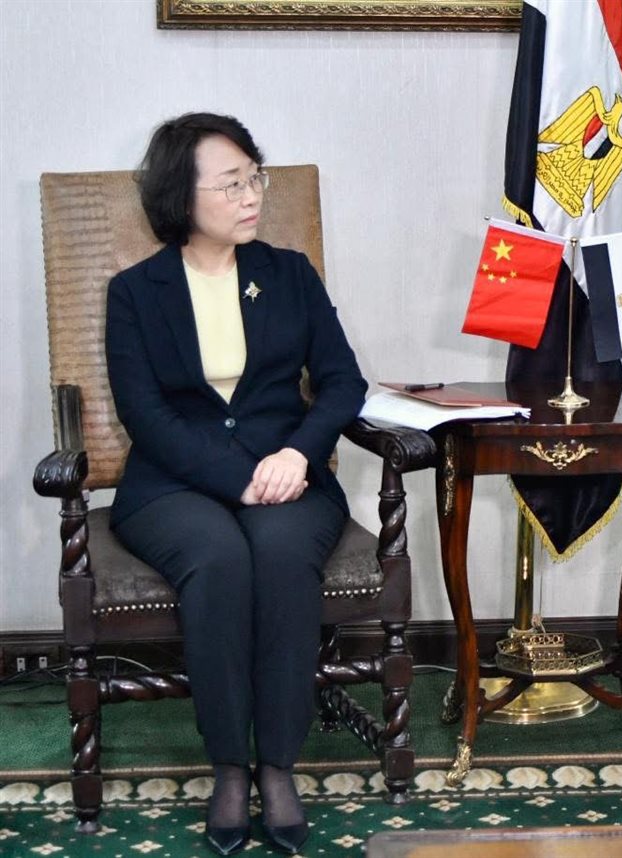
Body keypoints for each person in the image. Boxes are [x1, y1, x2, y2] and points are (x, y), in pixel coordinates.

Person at [105, 113, 368, 855]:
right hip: (172, 483)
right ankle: (228, 765)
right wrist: (236, 478)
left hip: (288, 472)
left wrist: (299, 455)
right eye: (231, 183)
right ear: (179, 196)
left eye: (255, 177)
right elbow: (144, 414)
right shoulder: (135, 292)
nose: (251, 195)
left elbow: (343, 383)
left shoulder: (288, 274)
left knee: (281, 556)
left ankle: (277, 765)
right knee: (218, 558)